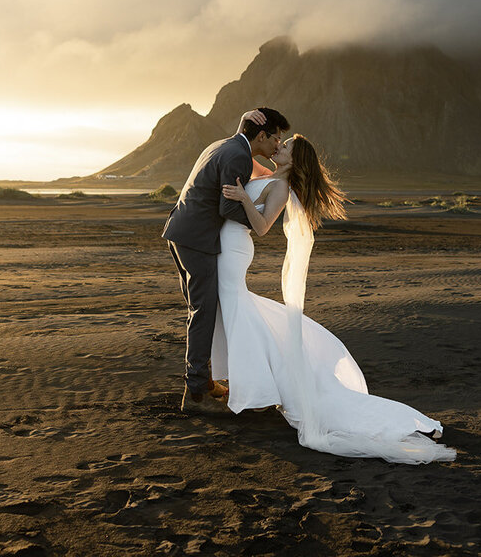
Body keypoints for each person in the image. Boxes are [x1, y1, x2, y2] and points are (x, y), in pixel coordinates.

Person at [215, 134, 456, 464]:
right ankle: (250, 389)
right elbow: (241, 153)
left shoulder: (281, 188)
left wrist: (243, 198)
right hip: (230, 254)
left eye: (284, 147)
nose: (278, 148)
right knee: (259, 324)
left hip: (240, 249)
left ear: (294, 160)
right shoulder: (269, 175)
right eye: (278, 142)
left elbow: (261, 226)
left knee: (265, 333)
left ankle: (409, 423)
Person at [162, 107, 290, 414]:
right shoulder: (239, 157)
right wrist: (255, 218)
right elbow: (226, 209)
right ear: (262, 135)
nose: (277, 145)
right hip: (199, 240)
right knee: (203, 311)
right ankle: (196, 393)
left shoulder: (224, 145)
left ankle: (203, 382)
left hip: (183, 233)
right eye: (277, 138)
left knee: (201, 310)